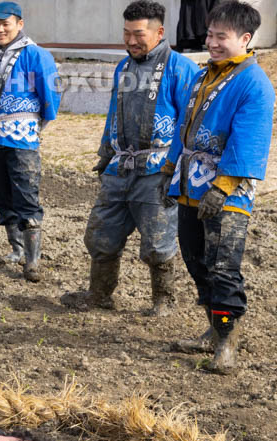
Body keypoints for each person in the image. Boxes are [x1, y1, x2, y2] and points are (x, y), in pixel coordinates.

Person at [61, 2, 198, 316]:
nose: (131, 41)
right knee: (100, 233)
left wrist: (177, 170)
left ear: (159, 32)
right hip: (119, 168)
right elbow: (114, 113)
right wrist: (105, 152)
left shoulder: (181, 68)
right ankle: (99, 295)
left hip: (158, 169)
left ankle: (164, 300)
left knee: (158, 239)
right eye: (126, 33)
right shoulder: (124, 67)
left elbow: (190, 122)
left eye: (139, 34)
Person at [161, 1, 274, 374]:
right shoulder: (203, 75)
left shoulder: (254, 83)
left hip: (226, 191)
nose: (211, 42)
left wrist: (221, 187)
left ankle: (226, 343)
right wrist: (168, 167)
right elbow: (184, 126)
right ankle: (213, 329)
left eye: (220, 36)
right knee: (196, 261)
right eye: (209, 34)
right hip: (190, 185)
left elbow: (249, 140)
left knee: (223, 267)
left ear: (244, 38)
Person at [0, 1, 60, 282]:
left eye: (5, 23)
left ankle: (32, 260)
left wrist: (35, 126)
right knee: (1, 196)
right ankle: (17, 249)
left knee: (26, 196)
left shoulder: (36, 55)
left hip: (22, 140)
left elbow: (51, 94)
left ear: (19, 24)